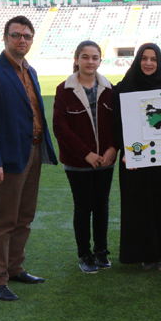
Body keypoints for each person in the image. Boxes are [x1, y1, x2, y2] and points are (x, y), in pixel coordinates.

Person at [0, 16, 58, 301]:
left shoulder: (29, 70)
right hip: (9, 158)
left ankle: (14, 268)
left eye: (27, 36)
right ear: (5, 37)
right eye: (16, 35)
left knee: (24, 217)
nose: (22, 40)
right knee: (3, 221)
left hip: (33, 151)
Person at [112, 43, 161, 271]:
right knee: (140, 207)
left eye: (153, 59)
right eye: (144, 58)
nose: (148, 63)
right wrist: (126, 150)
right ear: (138, 61)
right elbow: (116, 126)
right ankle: (144, 253)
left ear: (159, 62)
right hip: (136, 160)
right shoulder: (123, 89)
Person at [53, 41, 116, 274]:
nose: (90, 61)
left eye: (95, 57)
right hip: (77, 162)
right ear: (77, 59)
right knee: (83, 208)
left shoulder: (110, 89)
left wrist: (113, 148)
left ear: (100, 60)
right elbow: (60, 127)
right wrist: (86, 153)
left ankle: (101, 251)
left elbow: (117, 124)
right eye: (85, 57)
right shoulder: (64, 90)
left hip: (106, 161)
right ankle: (84, 254)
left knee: (101, 207)